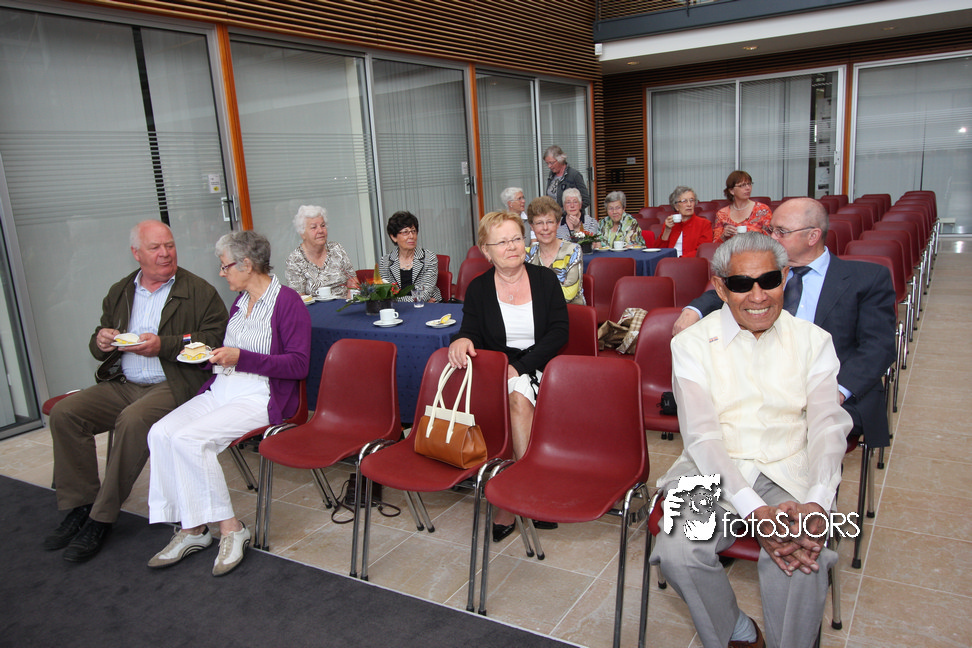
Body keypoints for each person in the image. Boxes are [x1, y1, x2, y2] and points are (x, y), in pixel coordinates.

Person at [651, 232, 851, 648]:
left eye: (769, 281)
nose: (758, 296)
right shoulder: (691, 345)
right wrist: (755, 511)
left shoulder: (814, 341)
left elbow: (827, 427)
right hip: (711, 469)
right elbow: (703, 436)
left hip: (789, 468)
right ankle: (737, 632)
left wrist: (816, 501)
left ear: (785, 278)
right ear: (721, 287)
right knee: (677, 552)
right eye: (742, 284)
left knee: (801, 556)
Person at [44, 221, 228, 562]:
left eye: (169, 245)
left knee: (133, 420)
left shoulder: (198, 291)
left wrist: (163, 345)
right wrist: (100, 341)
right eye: (155, 248)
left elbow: (215, 339)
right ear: (136, 253)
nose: (165, 253)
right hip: (124, 383)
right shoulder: (121, 291)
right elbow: (101, 339)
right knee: (65, 414)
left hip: (173, 383)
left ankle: (101, 518)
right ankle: (80, 505)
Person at [146, 230, 310, 576]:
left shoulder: (287, 302)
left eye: (225, 266)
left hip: (261, 394)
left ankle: (231, 529)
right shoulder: (239, 301)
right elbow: (230, 353)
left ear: (246, 264)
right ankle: (192, 528)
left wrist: (240, 358)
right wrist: (211, 357)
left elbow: (298, 365)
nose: (222, 273)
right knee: (160, 432)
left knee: (190, 440)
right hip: (223, 387)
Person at [673, 198, 896, 450]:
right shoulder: (769, 272)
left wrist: (835, 393)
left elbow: (879, 347)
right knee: (721, 434)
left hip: (831, 392)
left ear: (813, 236)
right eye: (771, 230)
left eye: (781, 232)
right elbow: (734, 286)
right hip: (760, 389)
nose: (772, 237)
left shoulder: (866, 279)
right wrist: (693, 310)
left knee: (794, 446)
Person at [448, 211, 568, 542]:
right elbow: (470, 330)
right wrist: (461, 339)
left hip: (543, 365)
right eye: (501, 242)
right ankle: (528, 490)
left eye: (516, 238)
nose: (512, 246)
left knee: (517, 393)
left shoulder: (545, 279)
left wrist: (522, 366)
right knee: (509, 389)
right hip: (498, 369)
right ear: (486, 251)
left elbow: (559, 332)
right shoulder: (478, 288)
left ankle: (514, 494)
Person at [285, 204, 359, 298]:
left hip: (344, 304)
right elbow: (299, 298)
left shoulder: (336, 249)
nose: (320, 230)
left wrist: (350, 301)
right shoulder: (295, 260)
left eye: (323, 226)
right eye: (314, 227)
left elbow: (352, 281)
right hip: (315, 307)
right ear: (302, 233)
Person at [525, 196, 585, 304]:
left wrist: (535, 290)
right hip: (537, 312)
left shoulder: (572, 250)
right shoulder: (528, 254)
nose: (545, 228)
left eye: (550, 222)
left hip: (571, 311)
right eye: (539, 223)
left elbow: (568, 294)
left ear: (557, 224)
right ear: (532, 227)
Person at [378, 210, 441, 302]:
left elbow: (424, 295)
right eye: (405, 232)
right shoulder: (385, 261)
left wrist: (395, 299)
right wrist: (415, 300)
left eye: (413, 231)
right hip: (398, 308)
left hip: (427, 306)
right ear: (393, 237)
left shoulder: (429, 258)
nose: (411, 236)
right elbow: (386, 294)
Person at [713, 170, 772, 242]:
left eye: (749, 184)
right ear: (732, 191)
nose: (748, 188)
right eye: (742, 185)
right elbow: (714, 245)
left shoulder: (762, 210)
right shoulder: (722, 214)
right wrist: (724, 236)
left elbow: (771, 240)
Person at [660, 185, 713, 257]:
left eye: (691, 200)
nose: (689, 204)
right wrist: (667, 230)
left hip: (691, 262)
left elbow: (703, 251)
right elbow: (659, 251)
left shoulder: (704, 224)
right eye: (684, 201)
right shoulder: (669, 224)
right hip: (669, 262)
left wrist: (680, 260)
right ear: (676, 206)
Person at [543, 144, 590, 215]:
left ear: (561, 160)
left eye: (551, 163)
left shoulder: (574, 175)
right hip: (554, 217)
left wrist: (565, 210)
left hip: (571, 218)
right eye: (547, 163)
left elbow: (586, 200)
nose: (549, 166)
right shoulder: (551, 175)